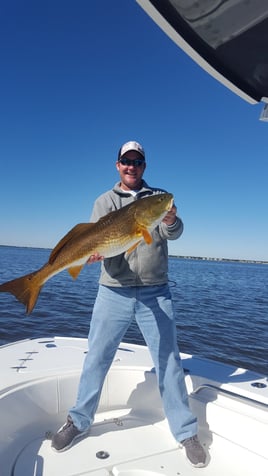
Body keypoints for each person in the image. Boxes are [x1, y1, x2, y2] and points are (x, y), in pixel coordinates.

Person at [51, 141, 206, 467]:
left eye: (137, 161)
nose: (131, 166)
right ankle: (79, 421)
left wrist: (169, 219)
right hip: (114, 291)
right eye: (126, 161)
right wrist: (90, 254)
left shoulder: (158, 199)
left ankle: (185, 431)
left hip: (155, 291)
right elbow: (92, 238)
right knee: (96, 357)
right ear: (118, 165)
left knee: (169, 362)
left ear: (144, 166)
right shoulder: (104, 201)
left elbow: (174, 233)